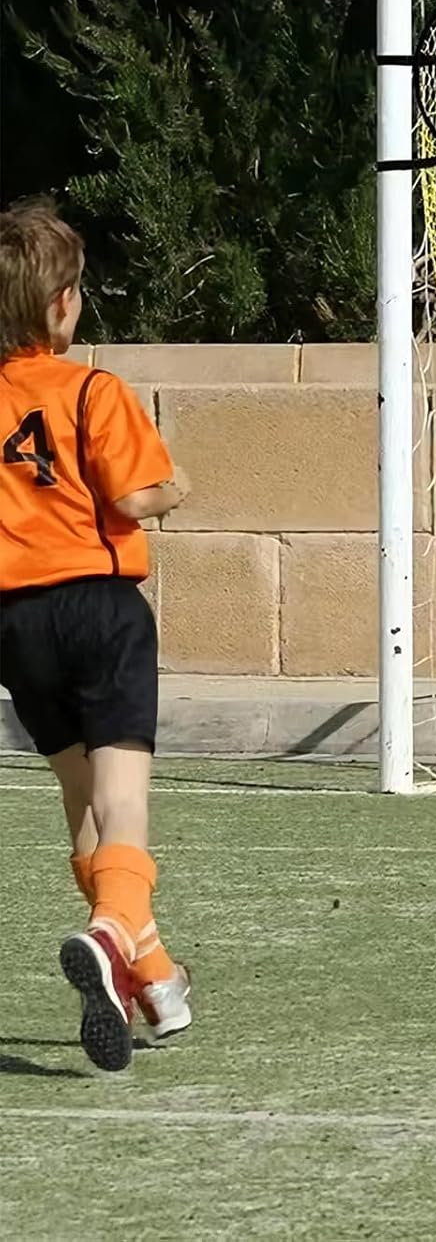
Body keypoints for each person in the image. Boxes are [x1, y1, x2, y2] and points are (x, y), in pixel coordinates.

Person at [0, 197, 193, 1070]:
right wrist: (176, 486)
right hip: (99, 609)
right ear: (62, 304)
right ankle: (113, 930)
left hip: (15, 623)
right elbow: (134, 494)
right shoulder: (91, 390)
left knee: (81, 802)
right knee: (123, 803)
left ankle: (153, 978)